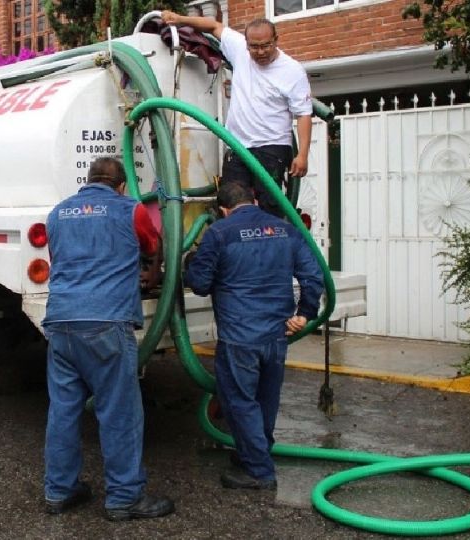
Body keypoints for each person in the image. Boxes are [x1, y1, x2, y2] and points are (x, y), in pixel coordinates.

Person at [42, 157, 174, 521]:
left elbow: (61, 259)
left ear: (87, 181)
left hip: (62, 323)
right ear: (120, 186)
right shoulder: (129, 209)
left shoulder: (57, 214)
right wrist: (152, 271)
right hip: (106, 323)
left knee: (63, 410)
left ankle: (59, 490)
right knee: (119, 412)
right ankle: (124, 497)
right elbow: (151, 246)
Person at [183, 182, 324, 489]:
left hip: (240, 336)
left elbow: (201, 284)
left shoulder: (219, 233)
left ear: (222, 210)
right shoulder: (285, 229)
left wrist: (190, 265)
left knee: (240, 401)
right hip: (277, 334)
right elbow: (313, 275)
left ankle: (259, 471)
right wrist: (305, 313)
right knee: (266, 399)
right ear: (256, 200)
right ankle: (255, 452)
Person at [162, 11, 313, 218]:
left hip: (272, 147)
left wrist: (302, 154)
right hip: (238, 146)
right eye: (254, 47)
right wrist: (180, 19)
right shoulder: (239, 49)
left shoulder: (292, 71)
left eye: (266, 46)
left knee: (270, 206)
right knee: (230, 202)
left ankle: (269, 244)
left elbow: (304, 114)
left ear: (276, 40)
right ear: (247, 43)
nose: (260, 52)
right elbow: (213, 26)